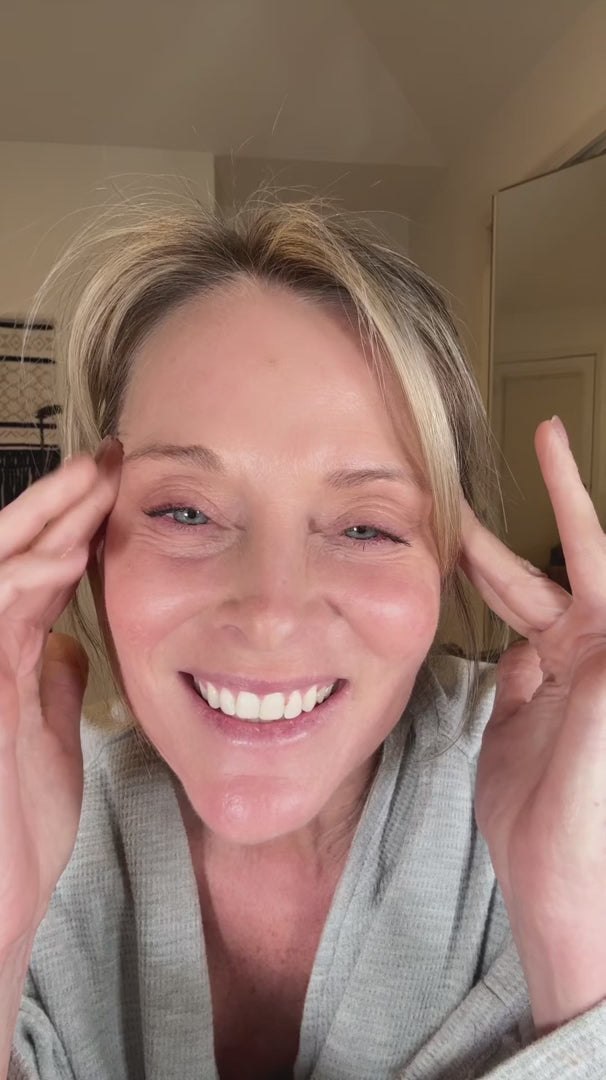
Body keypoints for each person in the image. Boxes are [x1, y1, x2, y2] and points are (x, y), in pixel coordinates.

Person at [1, 197, 605, 1080]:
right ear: (89, 543)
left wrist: (577, 951)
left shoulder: (581, 774)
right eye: (185, 512)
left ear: (447, 563)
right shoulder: (23, 804)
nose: (270, 614)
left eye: (366, 527)